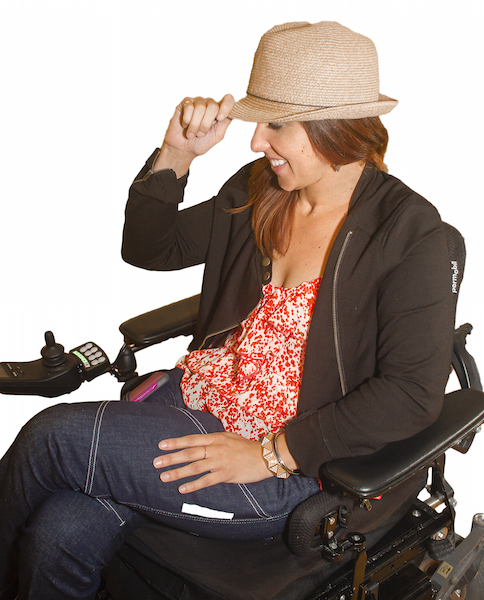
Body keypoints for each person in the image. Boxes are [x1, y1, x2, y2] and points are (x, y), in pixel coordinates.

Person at [0, 21, 454, 600]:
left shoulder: (408, 233)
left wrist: (272, 453)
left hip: (286, 464)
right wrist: (175, 155)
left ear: (332, 128)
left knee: (51, 439)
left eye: (276, 124)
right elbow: (150, 249)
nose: (256, 140)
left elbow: (411, 394)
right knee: (58, 534)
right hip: (195, 402)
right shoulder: (260, 188)